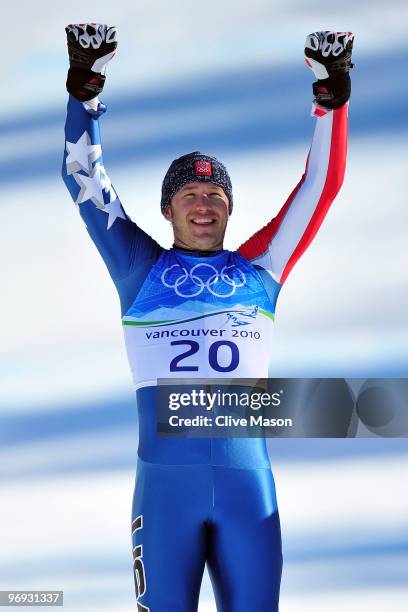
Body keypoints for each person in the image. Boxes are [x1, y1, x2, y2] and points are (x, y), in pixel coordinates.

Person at [62, 24, 353, 611]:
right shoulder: (137, 266)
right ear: (167, 209)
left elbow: (321, 187)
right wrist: (85, 90)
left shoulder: (261, 267)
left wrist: (332, 95)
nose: (204, 205)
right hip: (165, 491)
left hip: (248, 487)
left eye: (216, 197)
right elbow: (84, 178)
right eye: (190, 197)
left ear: (229, 209)